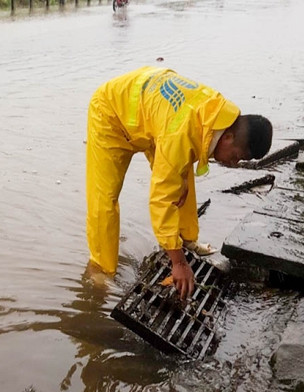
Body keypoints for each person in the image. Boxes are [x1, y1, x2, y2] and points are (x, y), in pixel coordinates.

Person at [86, 66, 272, 300]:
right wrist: (179, 264)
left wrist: (181, 177)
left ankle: (186, 239)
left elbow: (184, 150)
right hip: (111, 113)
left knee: (183, 177)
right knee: (105, 197)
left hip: (153, 116)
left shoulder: (216, 114)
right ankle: (101, 270)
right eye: (236, 157)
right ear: (227, 137)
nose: (234, 164)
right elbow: (160, 199)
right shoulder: (181, 135)